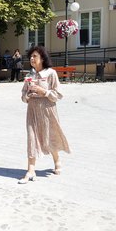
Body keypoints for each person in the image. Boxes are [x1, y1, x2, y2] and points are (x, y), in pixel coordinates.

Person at [19, 46, 70, 184]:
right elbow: (23, 96)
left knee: (50, 137)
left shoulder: (51, 73)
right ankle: (30, 170)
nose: (31, 59)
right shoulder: (29, 76)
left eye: (35, 56)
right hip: (32, 111)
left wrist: (44, 92)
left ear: (42, 58)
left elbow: (58, 94)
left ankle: (56, 159)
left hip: (47, 110)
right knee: (32, 138)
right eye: (30, 56)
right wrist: (28, 95)